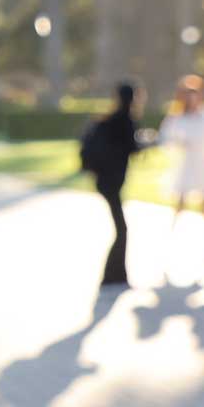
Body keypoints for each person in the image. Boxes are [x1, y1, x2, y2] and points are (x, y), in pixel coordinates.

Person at [90, 81, 146, 289]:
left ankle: (117, 275)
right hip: (111, 181)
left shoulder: (109, 119)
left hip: (105, 180)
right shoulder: (125, 120)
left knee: (121, 228)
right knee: (122, 229)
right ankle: (112, 276)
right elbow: (133, 148)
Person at [160, 75, 204, 243]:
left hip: (203, 161)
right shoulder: (176, 117)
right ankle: (172, 237)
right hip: (186, 163)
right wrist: (180, 143)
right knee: (180, 200)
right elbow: (166, 139)